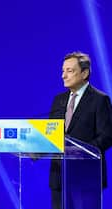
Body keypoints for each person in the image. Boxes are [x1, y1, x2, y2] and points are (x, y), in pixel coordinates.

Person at [49, 51, 112, 209]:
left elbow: (107, 135)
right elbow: (50, 134)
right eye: (63, 71)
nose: (64, 76)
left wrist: (81, 150)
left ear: (84, 73)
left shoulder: (99, 100)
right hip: (59, 177)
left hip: (86, 178)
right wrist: (36, 148)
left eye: (69, 71)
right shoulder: (59, 100)